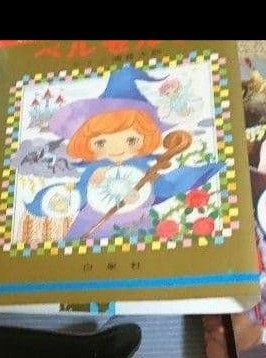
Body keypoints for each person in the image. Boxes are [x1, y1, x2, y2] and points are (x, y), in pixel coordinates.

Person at [24, 66, 222, 240]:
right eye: (101, 142)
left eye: (131, 140)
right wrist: (73, 191)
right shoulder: (94, 170)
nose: (117, 149)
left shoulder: (143, 168)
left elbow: (166, 186)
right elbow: (76, 195)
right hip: (90, 227)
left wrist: (147, 192)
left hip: (136, 228)